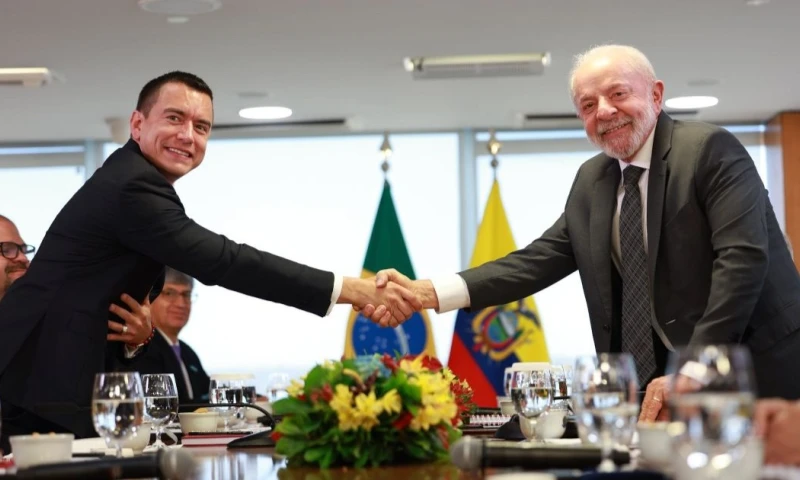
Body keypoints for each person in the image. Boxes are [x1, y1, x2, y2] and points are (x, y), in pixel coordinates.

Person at [362, 44, 800, 420]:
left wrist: (694, 369)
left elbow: (741, 263)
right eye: (588, 106)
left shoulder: (709, 151)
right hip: (656, 386)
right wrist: (426, 294)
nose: (604, 112)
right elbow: (533, 263)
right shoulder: (593, 181)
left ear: (657, 94)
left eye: (618, 94)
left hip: (756, 369)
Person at [0, 71, 420, 449]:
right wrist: (352, 289)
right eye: (175, 119)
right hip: (34, 380)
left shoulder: (138, 182)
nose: (189, 135)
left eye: (201, 127)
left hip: (59, 381)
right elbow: (226, 261)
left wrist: (137, 339)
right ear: (137, 124)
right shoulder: (132, 186)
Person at [0, 216, 153, 453]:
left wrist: (135, 342)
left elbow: (97, 383)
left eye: (23, 249)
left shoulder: (53, 317)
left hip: (71, 455)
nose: (21, 258)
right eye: (6, 249)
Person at [127, 267, 211, 404]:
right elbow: (161, 405)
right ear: (149, 299)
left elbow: (209, 395)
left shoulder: (188, 353)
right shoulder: (139, 347)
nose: (181, 304)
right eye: (169, 293)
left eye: (186, 294)